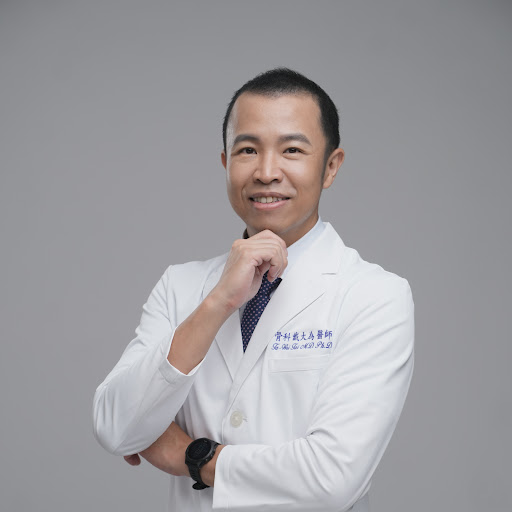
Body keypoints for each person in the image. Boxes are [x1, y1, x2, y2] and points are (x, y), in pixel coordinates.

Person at [93, 68, 415, 512]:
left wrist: (194, 457)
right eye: (247, 150)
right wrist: (218, 302)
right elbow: (114, 427)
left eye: (292, 150)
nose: (266, 172)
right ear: (226, 162)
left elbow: (332, 479)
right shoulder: (182, 286)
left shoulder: (374, 296)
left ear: (331, 166)